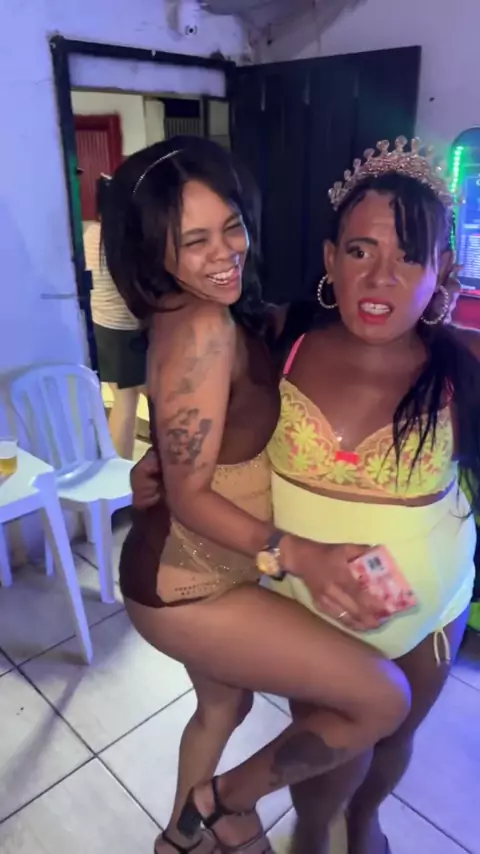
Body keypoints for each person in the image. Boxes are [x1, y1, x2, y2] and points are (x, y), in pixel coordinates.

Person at [129, 138, 477, 854]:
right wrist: (157, 466)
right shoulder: (279, 336)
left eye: (409, 256)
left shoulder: (463, 366)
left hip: (434, 612)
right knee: (329, 765)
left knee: (392, 745)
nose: (380, 277)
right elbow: (206, 411)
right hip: (317, 605)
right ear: (330, 258)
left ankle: (365, 822)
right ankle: (301, 832)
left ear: (442, 268)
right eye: (359, 251)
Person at [84, 174, 147, 458]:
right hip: (125, 331)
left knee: (129, 394)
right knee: (126, 401)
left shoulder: (90, 235)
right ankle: (119, 472)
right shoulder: (123, 239)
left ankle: (119, 463)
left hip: (102, 326)